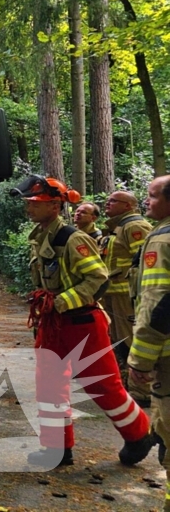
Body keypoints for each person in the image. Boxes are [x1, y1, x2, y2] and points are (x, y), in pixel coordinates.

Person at [17, 175, 153, 468]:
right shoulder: (41, 236)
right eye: (28, 202)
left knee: (102, 385)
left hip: (82, 323)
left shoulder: (72, 238)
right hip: (54, 324)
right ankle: (57, 449)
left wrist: (60, 301)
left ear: (55, 206)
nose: (29, 207)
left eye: (35, 203)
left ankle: (139, 434)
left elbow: (98, 278)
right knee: (49, 387)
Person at [127, 175, 170, 509]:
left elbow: (159, 305)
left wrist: (140, 361)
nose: (147, 201)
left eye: (152, 196)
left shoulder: (162, 240)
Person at [101, 191, 153, 405]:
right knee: (118, 340)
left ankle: (142, 391)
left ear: (128, 206)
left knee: (130, 340)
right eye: (108, 200)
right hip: (114, 293)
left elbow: (143, 261)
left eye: (114, 201)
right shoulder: (117, 228)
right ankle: (126, 385)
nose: (108, 203)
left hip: (126, 295)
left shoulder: (134, 226)